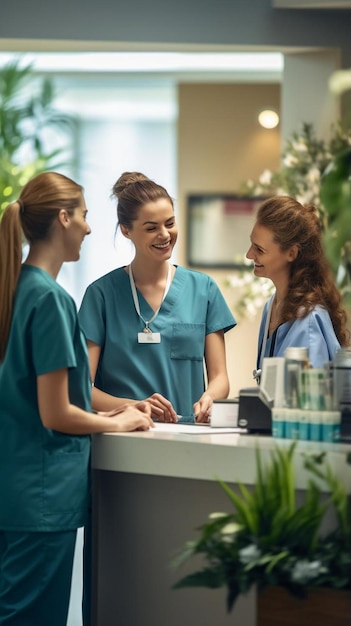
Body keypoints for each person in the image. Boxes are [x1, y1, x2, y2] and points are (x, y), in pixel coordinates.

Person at [0, 171, 153, 626]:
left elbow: (47, 395)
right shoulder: (50, 300)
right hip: (43, 499)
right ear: (63, 218)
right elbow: (57, 412)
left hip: (18, 490)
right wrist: (119, 422)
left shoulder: (18, 291)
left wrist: (121, 406)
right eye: (84, 215)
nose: (88, 227)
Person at [78, 171, 236, 423]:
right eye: (151, 228)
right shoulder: (101, 296)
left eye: (170, 223)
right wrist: (136, 406)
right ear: (126, 230)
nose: (164, 235)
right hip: (123, 439)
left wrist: (210, 397)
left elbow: (220, 378)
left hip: (188, 438)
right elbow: (81, 387)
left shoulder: (203, 289)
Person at [246, 195, 350, 378]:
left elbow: (309, 402)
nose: (249, 255)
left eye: (259, 249)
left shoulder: (310, 320)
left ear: (292, 253)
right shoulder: (271, 307)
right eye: (251, 245)